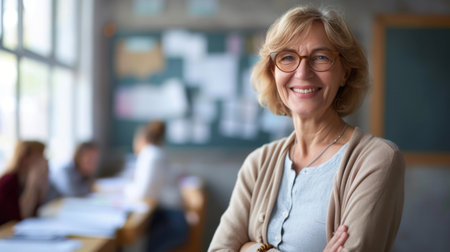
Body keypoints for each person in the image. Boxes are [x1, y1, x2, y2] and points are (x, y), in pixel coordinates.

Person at [209, 6, 405, 252]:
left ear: (345, 72)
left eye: (321, 57)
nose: (302, 72)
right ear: (273, 71)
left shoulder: (376, 160)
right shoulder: (258, 163)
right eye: (287, 57)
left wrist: (248, 247)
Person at [124, 121, 188, 252]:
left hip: (172, 222)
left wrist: (125, 189)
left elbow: (142, 192)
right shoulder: (157, 153)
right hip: (168, 216)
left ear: (142, 139)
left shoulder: (151, 155)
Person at [0, 140, 48, 225]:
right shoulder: (8, 181)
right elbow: (23, 215)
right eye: (40, 155)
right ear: (25, 157)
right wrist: (33, 181)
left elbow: (38, 206)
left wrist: (44, 177)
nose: (44, 159)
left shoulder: (25, 178)